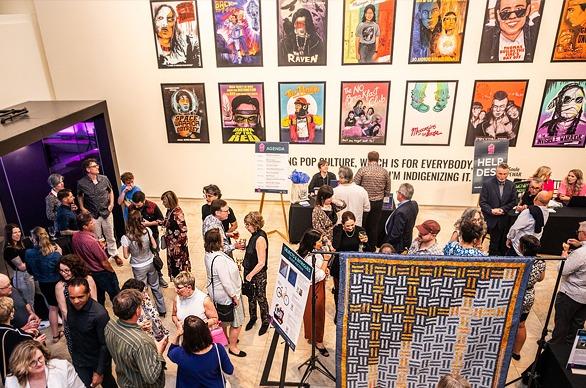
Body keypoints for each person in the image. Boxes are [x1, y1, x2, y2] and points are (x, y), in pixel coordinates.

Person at [105, 289, 168, 387]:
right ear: (137, 311)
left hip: (125, 380)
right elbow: (151, 377)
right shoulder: (141, 343)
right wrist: (159, 351)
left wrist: (139, 328)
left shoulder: (110, 324)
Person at [66, 277, 117, 388]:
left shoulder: (99, 314)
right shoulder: (70, 304)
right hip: (79, 359)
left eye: (80, 297)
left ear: (88, 293)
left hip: (96, 361)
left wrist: (99, 371)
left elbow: (105, 345)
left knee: (108, 383)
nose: (75, 301)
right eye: (72, 297)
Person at [204, 228, 246, 357]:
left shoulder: (208, 254)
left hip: (216, 294)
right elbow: (226, 281)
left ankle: (226, 338)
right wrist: (234, 296)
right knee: (237, 322)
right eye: (222, 238)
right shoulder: (219, 260)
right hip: (227, 295)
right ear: (218, 241)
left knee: (223, 320)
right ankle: (233, 347)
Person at [77, 158, 122, 265]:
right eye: (94, 166)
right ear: (88, 169)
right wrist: (82, 208)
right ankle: (102, 256)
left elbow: (110, 191)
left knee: (110, 235)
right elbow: (79, 196)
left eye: (97, 165)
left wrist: (111, 204)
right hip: (93, 214)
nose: (97, 167)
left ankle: (114, 254)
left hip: (106, 211)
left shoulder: (104, 178)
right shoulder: (81, 183)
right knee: (97, 237)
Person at [168, 315, 234, 388]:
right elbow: (229, 370)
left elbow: (170, 353)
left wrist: (177, 334)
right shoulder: (218, 349)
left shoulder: (179, 353)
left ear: (185, 335)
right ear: (206, 331)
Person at [121, 210, 166, 316]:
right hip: (150, 262)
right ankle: (162, 309)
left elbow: (126, 256)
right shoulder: (147, 230)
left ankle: (148, 312)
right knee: (155, 286)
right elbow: (154, 246)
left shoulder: (126, 237)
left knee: (142, 290)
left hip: (138, 266)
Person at [72, 212, 121, 305]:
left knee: (99, 298)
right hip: (102, 273)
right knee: (116, 296)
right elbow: (104, 262)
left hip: (88, 272)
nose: (94, 223)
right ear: (84, 226)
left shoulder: (75, 236)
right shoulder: (91, 242)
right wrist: (112, 271)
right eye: (91, 223)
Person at [550, 221, 586, 344]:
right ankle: (570, 351)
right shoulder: (582, 249)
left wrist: (564, 255)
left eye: (578, 232)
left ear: (584, 234)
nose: (577, 234)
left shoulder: (580, 254)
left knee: (562, 324)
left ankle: (554, 349)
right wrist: (581, 244)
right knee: (578, 323)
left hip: (571, 294)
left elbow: (563, 270)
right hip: (584, 297)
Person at [332, 211, 371, 321]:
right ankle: (338, 312)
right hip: (339, 264)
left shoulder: (360, 230)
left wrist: (366, 241)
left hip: (354, 264)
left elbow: (368, 249)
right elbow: (336, 246)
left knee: (352, 289)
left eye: (352, 225)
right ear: (343, 224)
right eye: (347, 225)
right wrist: (341, 230)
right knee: (339, 290)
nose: (350, 228)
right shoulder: (338, 230)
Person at [24, 227, 62, 342]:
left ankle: (55, 336)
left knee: (52, 308)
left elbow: (29, 271)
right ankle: (70, 333)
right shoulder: (55, 254)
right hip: (57, 283)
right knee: (64, 308)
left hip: (43, 284)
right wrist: (60, 254)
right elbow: (62, 269)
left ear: (34, 239)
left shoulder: (28, 253)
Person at [511, 235, 545, 361]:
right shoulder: (540, 262)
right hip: (529, 295)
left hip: (516, 295)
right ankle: (516, 352)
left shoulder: (520, 263)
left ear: (523, 247)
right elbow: (541, 278)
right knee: (521, 325)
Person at [298, 229, 330, 357]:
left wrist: (324, 267)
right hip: (313, 288)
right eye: (319, 241)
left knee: (314, 313)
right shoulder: (307, 257)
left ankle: (314, 336)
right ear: (312, 243)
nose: (321, 242)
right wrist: (326, 261)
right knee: (317, 313)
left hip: (316, 285)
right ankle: (318, 341)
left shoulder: (314, 251)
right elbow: (317, 276)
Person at [55, 254, 97, 352]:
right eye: (61, 270)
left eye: (67, 270)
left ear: (75, 268)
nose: (63, 273)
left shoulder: (88, 280)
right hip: (72, 324)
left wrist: (90, 322)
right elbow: (64, 311)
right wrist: (78, 325)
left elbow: (95, 302)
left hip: (90, 321)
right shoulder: (60, 286)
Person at [129, 191, 168, 287]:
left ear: (143, 200)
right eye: (135, 205)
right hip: (137, 237)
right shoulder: (131, 207)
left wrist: (148, 224)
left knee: (155, 256)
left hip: (152, 236)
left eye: (138, 205)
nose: (136, 207)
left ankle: (159, 277)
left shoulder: (152, 206)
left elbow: (161, 221)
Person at [5, 341, 84, 388]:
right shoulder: (11, 382)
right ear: (21, 366)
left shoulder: (62, 367)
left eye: (40, 358)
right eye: (32, 362)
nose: (39, 364)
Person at [354, 151, 391, 250]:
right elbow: (388, 189)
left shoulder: (362, 170)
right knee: (374, 226)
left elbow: (355, 185)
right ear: (378, 159)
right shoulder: (384, 172)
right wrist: (384, 197)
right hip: (378, 202)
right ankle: (372, 247)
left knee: (363, 224)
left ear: (368, 159)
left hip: (364, 202)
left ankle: (361, 245)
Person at [479, 163, 517, 256]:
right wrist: (491, 210)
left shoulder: (511, 185)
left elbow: (514, 201)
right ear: (496, 172)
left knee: (499, 244)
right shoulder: (487, 184)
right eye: (500, 173)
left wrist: (502, 210)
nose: (502, 176)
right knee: (486, 242)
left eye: (505, 174)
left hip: (503, 219)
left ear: (508, 174)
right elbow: (482, 202)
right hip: (490, 218)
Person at [0, 297, 41, 382]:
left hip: (6, 377)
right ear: (11, 314)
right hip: (19, 377)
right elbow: (27, 343)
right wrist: (37, 342)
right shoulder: (16, 335)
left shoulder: (9, 332)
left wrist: (23, 330)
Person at [243, 212, 270, 335]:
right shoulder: (254, 235)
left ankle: (265, 321)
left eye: (248, 224)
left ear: (256, 224)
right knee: (250, 296)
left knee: (261, 297)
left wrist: (250, 275)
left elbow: (261, 263)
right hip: (249, 272)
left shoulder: (260, 239)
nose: (246, 227)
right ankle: (253, 317)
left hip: (257, 274)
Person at [152, 3, 200, 67]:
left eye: (170, 20)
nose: (165, 24)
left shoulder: (185, 42)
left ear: (175, 23)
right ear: (154, 21)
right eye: (160, 18)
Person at [506, 191, 551, 256]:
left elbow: (515, 228)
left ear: (535, 198)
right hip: (533, 248)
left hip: (520, 248)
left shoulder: (528, 212)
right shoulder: (546, 212)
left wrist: (509, 238)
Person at [161, 190, 191, 279]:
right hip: (171, 244)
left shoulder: (178, 213)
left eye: (164, 201)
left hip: (177, 246)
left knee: (179, 267)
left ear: (170, 201)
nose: (163, 204)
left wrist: (177, 245)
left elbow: (184, 231)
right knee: (173, 266)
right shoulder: (169, 210)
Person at [3, 224, 35, 307]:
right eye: (15, 233)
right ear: (9, 234)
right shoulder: (9, 249)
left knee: (43, 295)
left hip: (30, 274)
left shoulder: (20, 244)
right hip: (23, 277)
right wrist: (35, 259)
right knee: (29, 303)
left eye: (19, 231)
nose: (18, 234)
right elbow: (22, 267)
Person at [384, 183, 419, 253]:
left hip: (398, 246)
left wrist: (387, 244)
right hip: (407, 240)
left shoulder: (401, 212)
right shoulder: (414, 204)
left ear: (401, 195)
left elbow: (396, 234)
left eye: (398, 192)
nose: (397, 194)